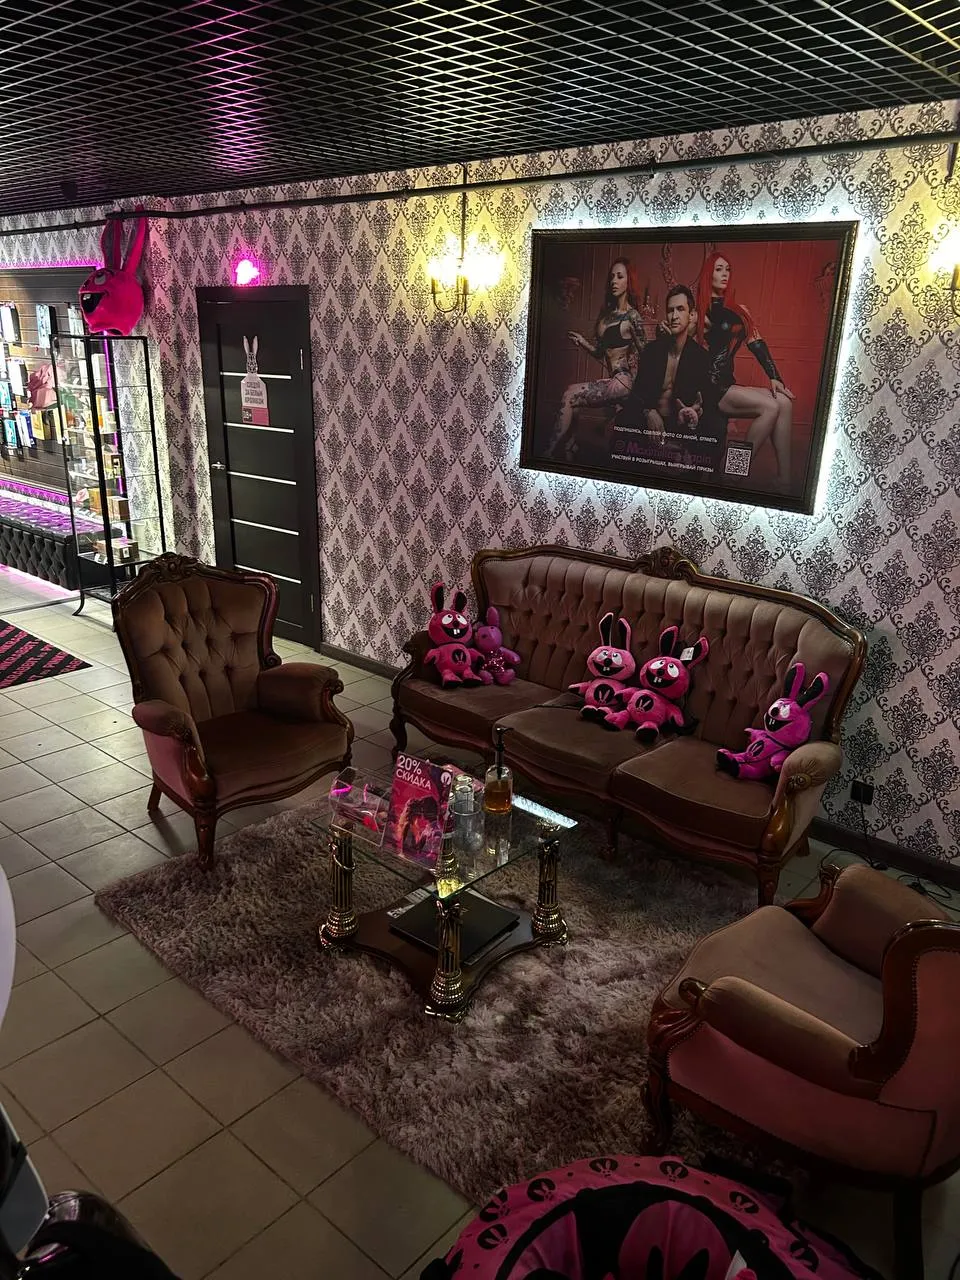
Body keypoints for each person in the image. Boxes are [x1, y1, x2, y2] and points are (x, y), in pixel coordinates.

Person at [694, 250, 794, 485]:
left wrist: (775, 377)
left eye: (728, 269)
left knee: (784, 402)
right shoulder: (699, 312)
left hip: (728, 384)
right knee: (770, 407)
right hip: (711, 389)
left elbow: (756, 342)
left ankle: (784, 479)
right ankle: (733, 472)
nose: (725, 274)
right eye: (718, 269)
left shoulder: (739, 310)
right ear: (708, 274)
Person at [546, 258, 648, 460]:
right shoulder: (606, 317)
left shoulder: (632, 316)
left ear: (629, 281)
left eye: (620, 276)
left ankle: (548, 452)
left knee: (569, 394)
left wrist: (642, 390)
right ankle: (570, 446)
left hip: (624, 381)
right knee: (573, 398)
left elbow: (647, 355)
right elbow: (600, 353)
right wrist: (583, 342)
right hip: (613, 379)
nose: (614, 281)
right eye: (612, 277)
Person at [615, 285, 719, 452]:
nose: (674, 316)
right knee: (624, 419)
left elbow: (706, 402)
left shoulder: (701, 357)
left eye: (680, 309)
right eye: (670, 310)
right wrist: (649, 412)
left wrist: (694, 412)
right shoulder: (652, 351)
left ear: (691, 315)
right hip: (651, 421)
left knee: (714, 428)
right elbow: (637, 394)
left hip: (680, 423)